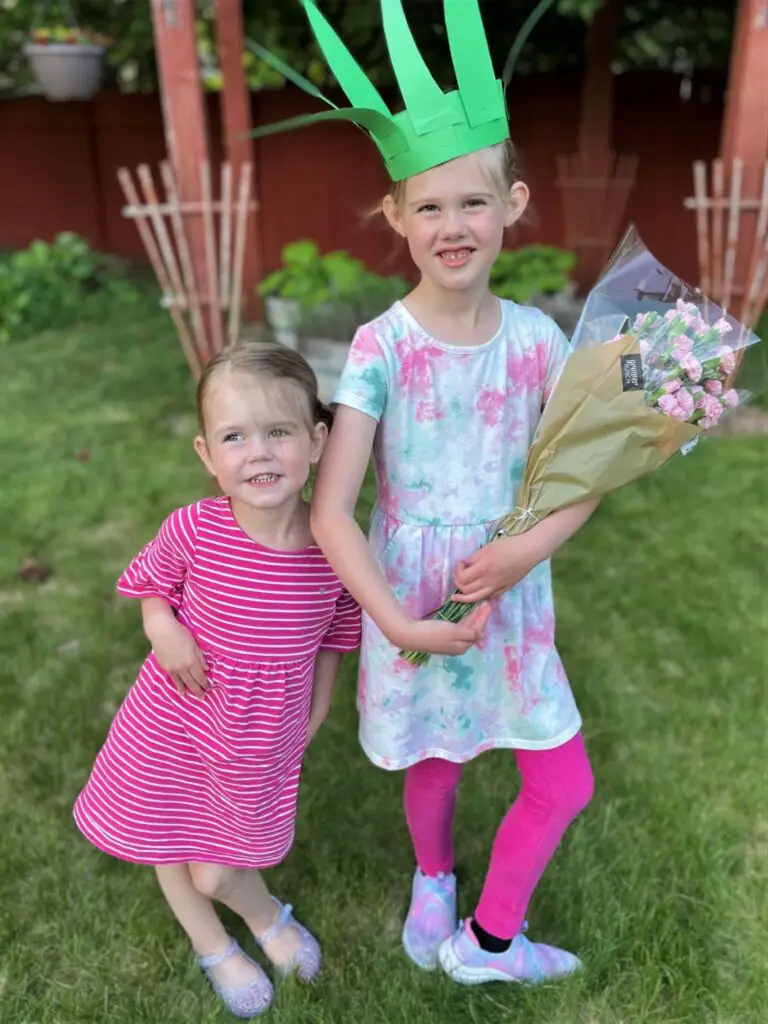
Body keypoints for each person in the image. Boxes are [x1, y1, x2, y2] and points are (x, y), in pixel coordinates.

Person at [311, 135, 597, 986]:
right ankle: (433, 876)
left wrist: (530, 546)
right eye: (428, 207)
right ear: (397, 218)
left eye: (472, 202)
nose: (452, 225)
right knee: (434, 757)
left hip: (511, 596)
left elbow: (589, 467)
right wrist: (395, 622)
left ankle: (489, 940)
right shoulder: (381, 346)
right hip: (414, 599)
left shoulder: (540, 340)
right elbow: (331, 510)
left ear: (512, 203)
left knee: (562, 779)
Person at [74, 342, 361, 1019]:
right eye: (235, 437)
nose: (258, 452)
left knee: (222, 864)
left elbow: (334, 642)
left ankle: (260, 913)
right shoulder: (196, 528)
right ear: (207, 454)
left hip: (258, 733)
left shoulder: (334, 548)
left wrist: (314, 717)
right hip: (172, 717)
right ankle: (215, 944)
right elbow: (152, 586)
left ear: (317, 441)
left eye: (279, 432)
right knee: (166, 833)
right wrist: (162, 628)